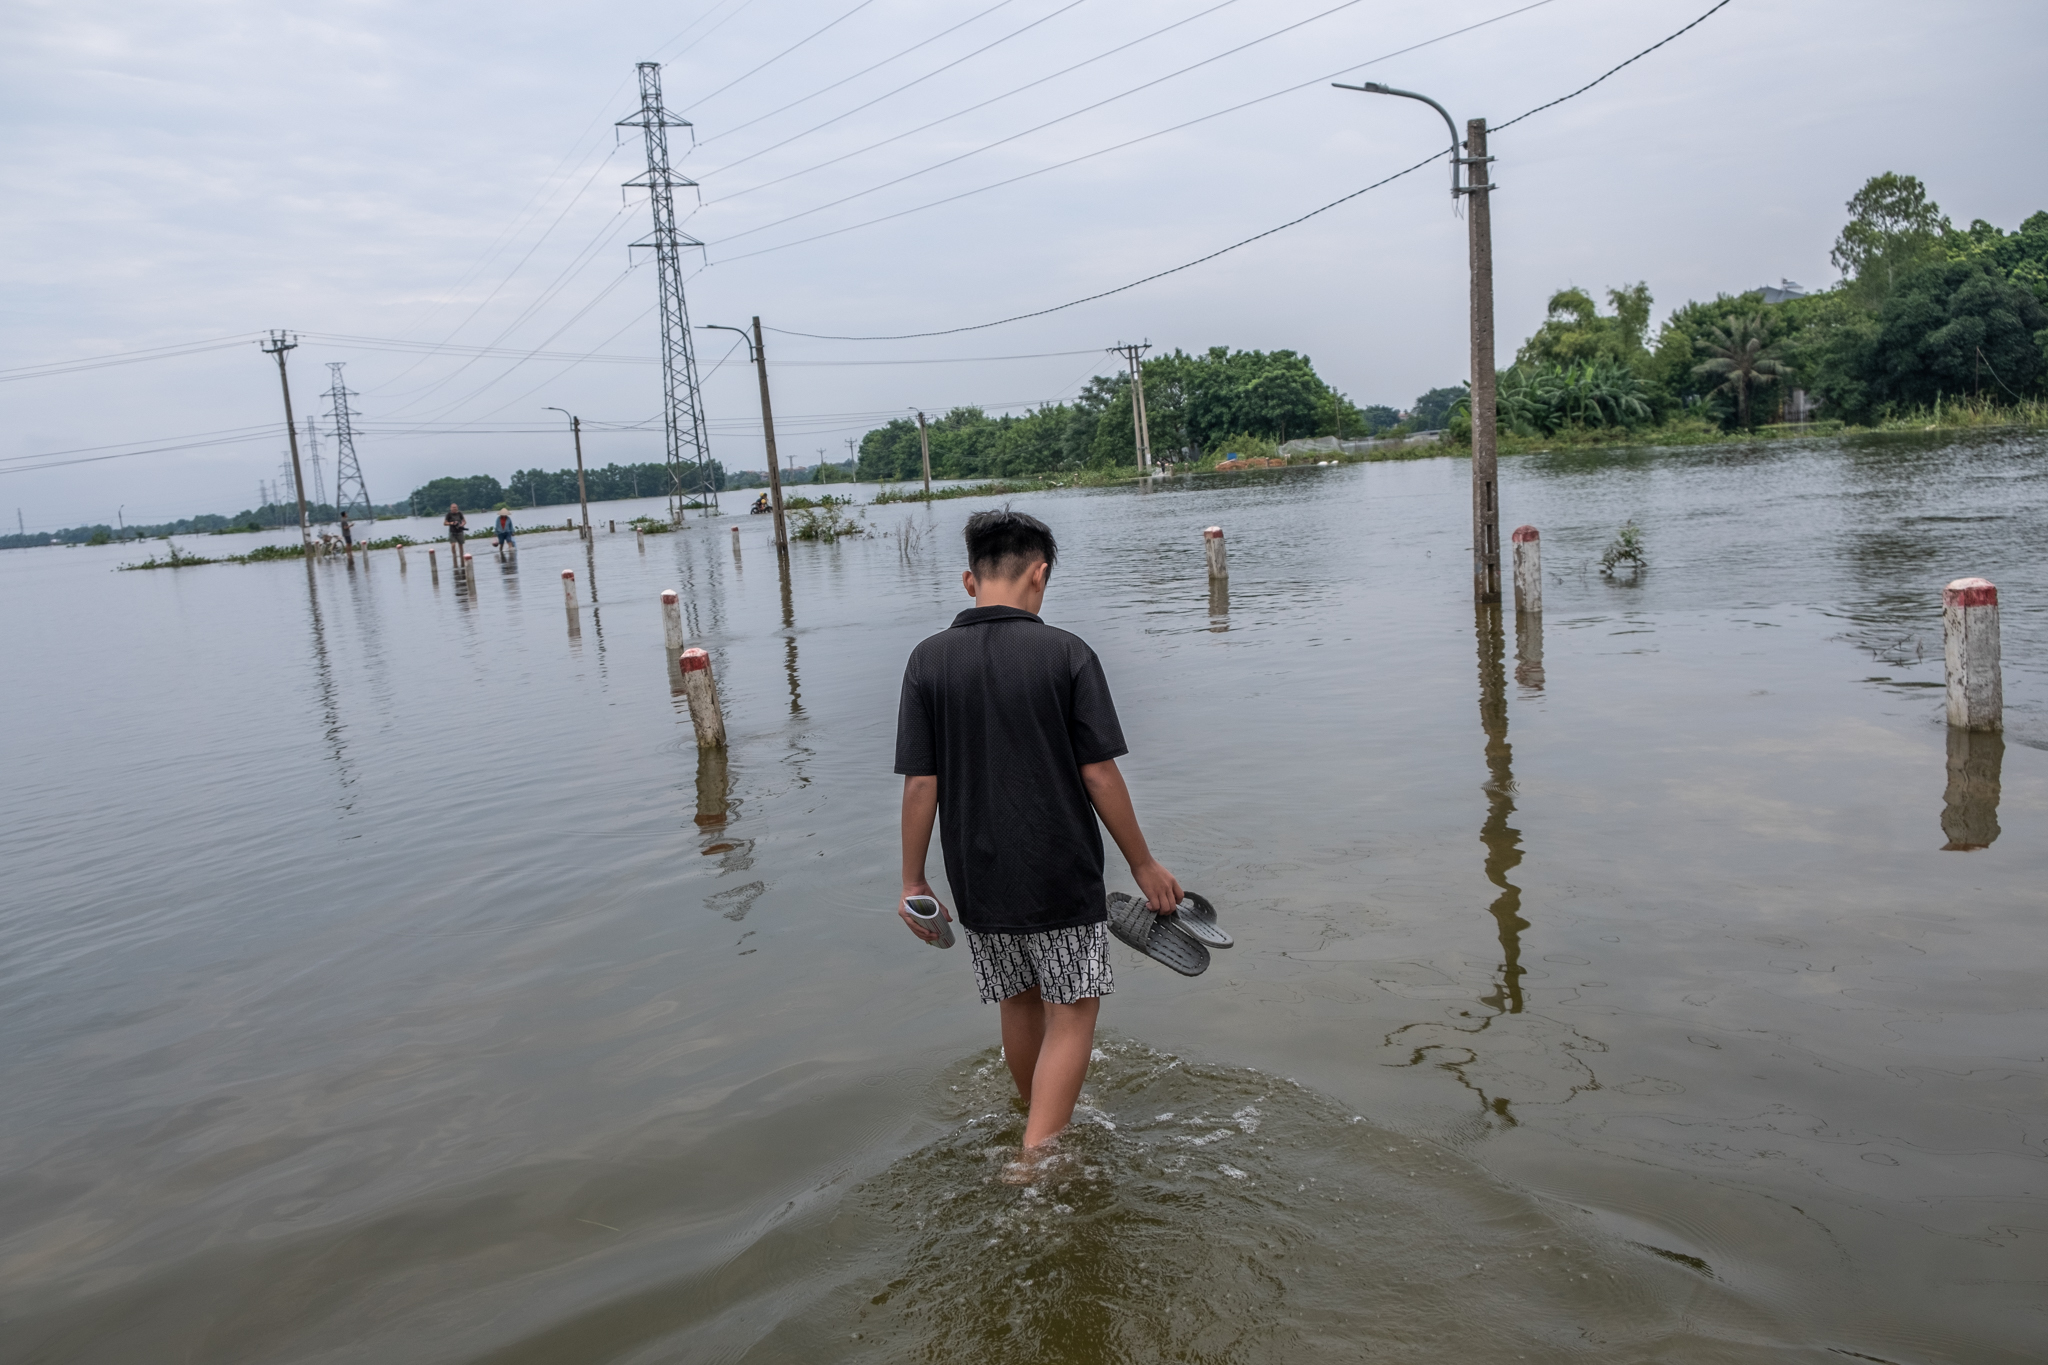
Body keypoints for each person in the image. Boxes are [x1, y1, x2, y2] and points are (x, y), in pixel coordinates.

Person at [894, 508, 1182, 1162]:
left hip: (977, 876)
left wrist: (915, 880)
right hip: (1059, 868)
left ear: (970, 580)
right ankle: (1038, 1159)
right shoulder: (1067, 653)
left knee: (1020, 1004)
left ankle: (1036, 1124)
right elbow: (1099, 775)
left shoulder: (926, 661)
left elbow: (920, 785)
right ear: (1041, 574)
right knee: (1073, 1008)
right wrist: (1142, 863)